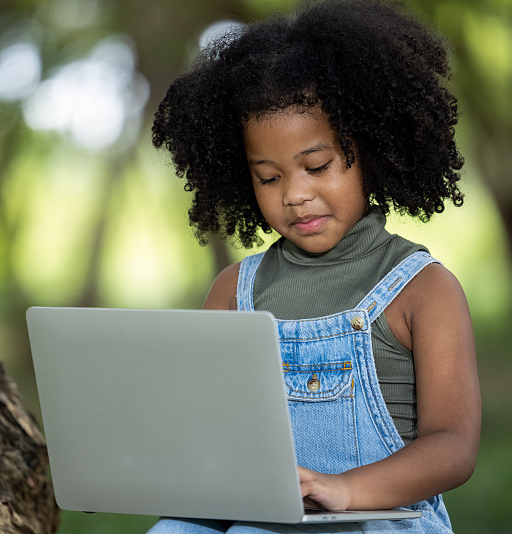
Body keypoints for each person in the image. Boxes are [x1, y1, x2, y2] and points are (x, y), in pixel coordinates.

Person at [147, 0, 481, 532]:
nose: (296, 195)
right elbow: (203, 425)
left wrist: (344, 490)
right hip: (257, 512)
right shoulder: (235, 289)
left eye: (317, 166)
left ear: (372, 148)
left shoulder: (424, 290)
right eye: (268, 177)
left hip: (377, 519)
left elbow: (453, 447)